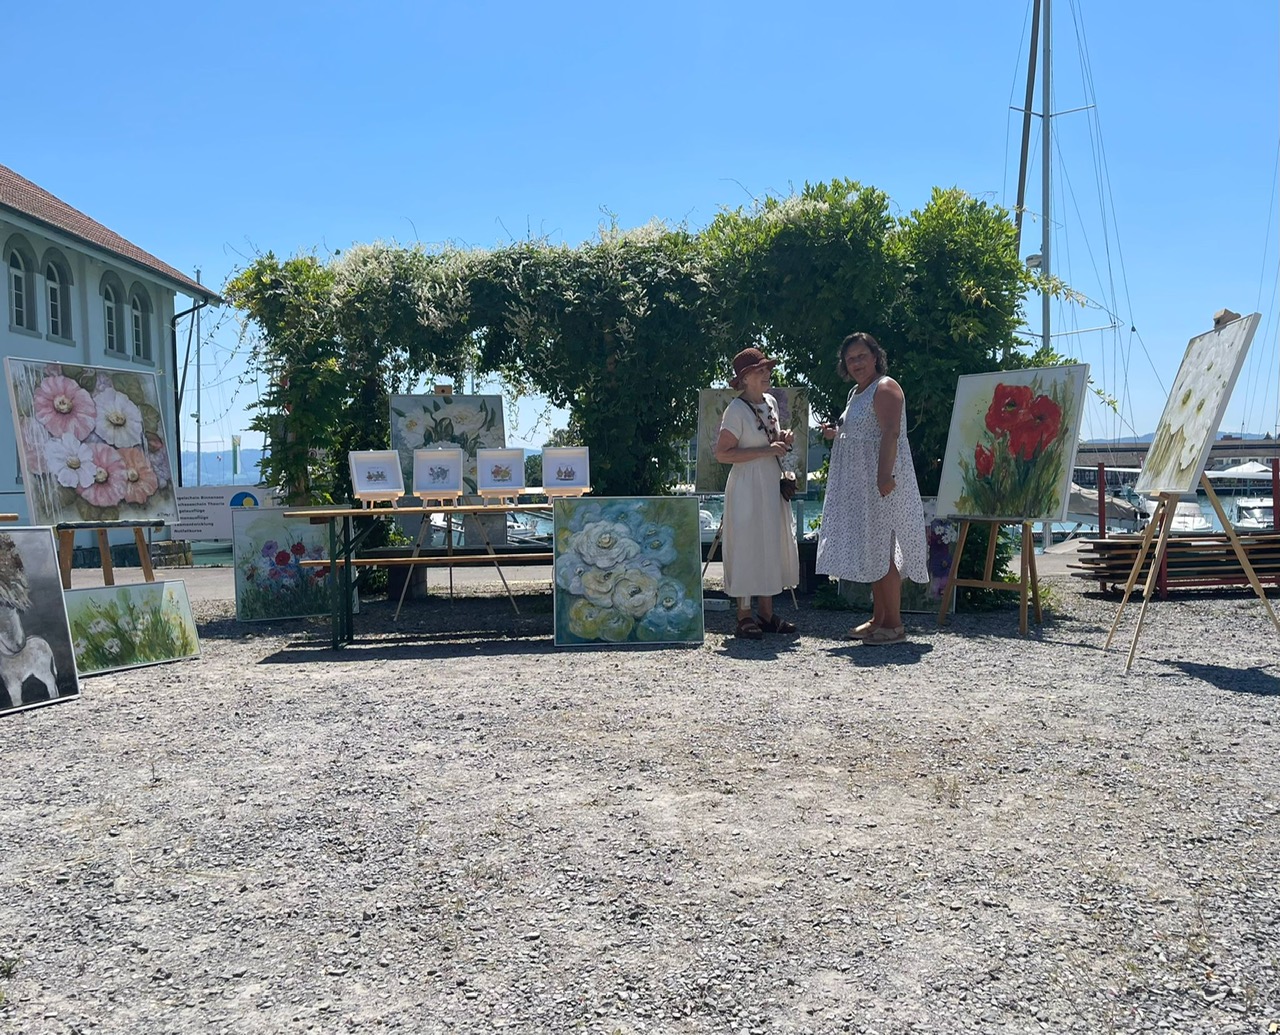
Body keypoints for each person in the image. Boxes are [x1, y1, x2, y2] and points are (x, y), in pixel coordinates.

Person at [817, 332, 928, 645]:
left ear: (876, 357)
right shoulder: (856, 392)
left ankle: (894, 625)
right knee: (872, 549)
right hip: (862, 485)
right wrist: (834, 433)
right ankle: (878, 618)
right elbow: (855, 430)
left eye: (861, 356)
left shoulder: (885, 387)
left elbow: (891, 433)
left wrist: (883, 477)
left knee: (883, 551)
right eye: (850, 359)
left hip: (881, 482)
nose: (856, 363)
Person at [713, 348, 800, 639]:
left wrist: (782, 438)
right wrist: (766, 450)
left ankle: (766, 613)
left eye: (767, 369)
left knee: (770, 542)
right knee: (747, 544)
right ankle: (744, 615)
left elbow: (770, 438)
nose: (767, 374)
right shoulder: (736, 410)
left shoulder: (770, 402)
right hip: (746, 484)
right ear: (745, 378)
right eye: (760, 371)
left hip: (769, 481)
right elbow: (723, 454)